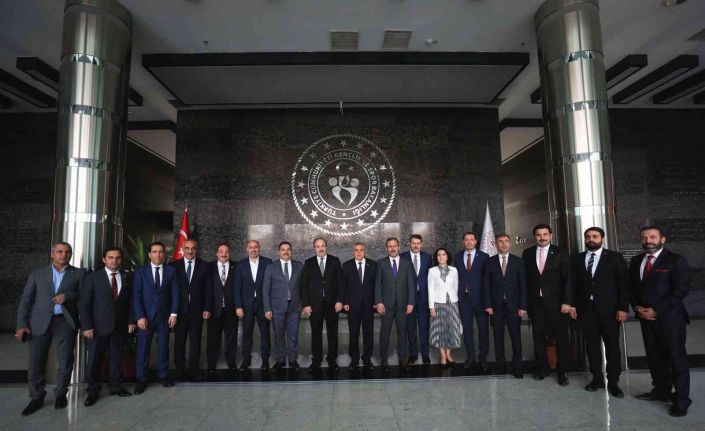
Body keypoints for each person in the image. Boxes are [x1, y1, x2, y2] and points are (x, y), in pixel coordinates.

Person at [16, 242, 84, 416]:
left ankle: (61, 394)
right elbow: (26, 300)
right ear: (52, 254)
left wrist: (68, 296)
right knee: (36, 362)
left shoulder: (79, 274)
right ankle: (36, 397)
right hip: (39, 322)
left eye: (67, 252)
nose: (63, 255)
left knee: (66, 360)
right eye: (59, 251)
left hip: (65, 322)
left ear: (71, 254)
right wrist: (21, 325)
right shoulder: (37, 274)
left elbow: (84, 295)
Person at [630, 226, 692, 417]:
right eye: (644, 237)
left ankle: (682, 400)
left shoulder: (675, 260)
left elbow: (681, 290)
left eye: (653, 237)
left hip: (670, 319)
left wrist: (657, 310)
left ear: (662, 239)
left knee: (676, 358)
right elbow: (631, 288)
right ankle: (661, 391)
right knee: (654, 357)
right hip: (646, 318)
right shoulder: (636, 260)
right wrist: (636, 307)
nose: (648, 240)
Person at [572, 227, 629, 397]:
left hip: (610, 310)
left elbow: (623, 285)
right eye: (588, 236)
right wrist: (573, 305)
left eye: (595, 236)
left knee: (612, 346)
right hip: (586, 310)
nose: (591, 239)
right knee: (591, 346)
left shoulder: (614, 257)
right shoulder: (577, 259)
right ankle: (596, 378)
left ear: (602, 239)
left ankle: (613, 382)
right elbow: (573, 285)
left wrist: (623, 308)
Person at [80, 247, 136, 406]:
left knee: (117, 358)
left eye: (118, 258)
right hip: (97, 327)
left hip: (119, 326)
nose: (114, 261)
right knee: (94, 360)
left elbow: (131, 302)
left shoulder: (127, 277)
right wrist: (87, 326)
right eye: (111, 257)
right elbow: (84, 304)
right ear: (104, 259)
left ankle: (117, 387)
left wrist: (131, 320)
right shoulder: (92, 278)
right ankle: (92, 391)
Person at [522, 224, 574, 386]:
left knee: (561, 338)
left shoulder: (560, 252)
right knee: (538, 337)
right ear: (535, 236)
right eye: (539, 235)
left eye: (545, 234)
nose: (542, 237)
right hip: (536, 304)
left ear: (551, 235)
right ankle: (542, 369)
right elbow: (525, 280)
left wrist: (567, 302)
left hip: (557, 304)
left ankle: (562, 372)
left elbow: (567, 278)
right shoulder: (527, 253)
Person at [133, 242, 179, 394]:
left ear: (164, 254)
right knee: (143, 348)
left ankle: (163, 375)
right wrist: (140, 316)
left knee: (163, 346)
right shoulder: (140, 272)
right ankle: (141, 379)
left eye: (160, 252)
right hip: (145, 317)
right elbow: (136, 295)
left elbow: (175, 293)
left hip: (164, 316)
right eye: (154, 251)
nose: (158, 254)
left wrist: (174, 313)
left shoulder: (171, 271)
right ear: (149, 254)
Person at [483, 234, 528, 378]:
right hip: (496, 307)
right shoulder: (489, 262)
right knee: (498, 338)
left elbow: (523, 285)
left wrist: (523, 306)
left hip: (514, 306)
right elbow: (486, 285)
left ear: (510, 243)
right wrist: (488, 304)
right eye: (500, 241)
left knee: (516, 338)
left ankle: (518, 367)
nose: (503, 244)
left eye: (506, 241)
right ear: (496, 244)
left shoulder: (518, 261)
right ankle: (500, 366)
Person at [301, 238, 344, 371]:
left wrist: (339, 301)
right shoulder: (308, 263)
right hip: (315, 305)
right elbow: (304, 285)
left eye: (323, 246)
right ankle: (316, 361)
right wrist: (306, 304)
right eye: (318, 246)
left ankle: (332, 360)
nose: (320, 248)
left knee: (332, 333)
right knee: (316, 333)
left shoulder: (335, 261)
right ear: (314, 248)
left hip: (332, 304)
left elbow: (341, 283)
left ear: (326, 247)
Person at [375, 237, 415, 372]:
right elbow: (377, 285)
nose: (392, 248)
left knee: (403, 333)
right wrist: (379, 302)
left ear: (399, 247)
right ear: (386, 248)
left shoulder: (407, 263)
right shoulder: (381, 263)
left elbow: (411, 285)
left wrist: (411, 303)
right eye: (390, 246)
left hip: (402, 305)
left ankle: (403, 359)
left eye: (395, 246)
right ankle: (384, 360)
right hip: (386, 305)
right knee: (384, 334)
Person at [171, 239, 209, 381]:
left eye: (193, 248)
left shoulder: (204, 266)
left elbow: (208, 289)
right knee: (179, 341)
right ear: (183, 248)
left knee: (195, 341)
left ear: (196, 249)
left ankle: (194, 369)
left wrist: (207, 308)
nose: (190, 251)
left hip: (197, 311)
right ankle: (179, 369)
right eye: (187, 248)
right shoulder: (174, 266)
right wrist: (172, 311)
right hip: (179, 311)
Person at [263, 241, 303, 373]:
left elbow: (304, 286)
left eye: (288, 249)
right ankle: (280, 360)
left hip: (295, 307)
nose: (286, 251)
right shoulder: (271, 267)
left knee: (293, 335)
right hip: (277, 308)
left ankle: (292, 360)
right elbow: (266, 289)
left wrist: (303, 305)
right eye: (283, 249)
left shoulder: (299, 266)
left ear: (291, 251)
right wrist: (267, 308)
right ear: (278, 252)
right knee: (279, 335)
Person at [454, 231, 490, 372]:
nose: (469, 242)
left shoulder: (484, 257)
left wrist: (487, 301)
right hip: (464, 299)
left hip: (480, 299)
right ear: (463, 242)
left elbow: (487, 279)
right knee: (467, 330)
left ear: (476, 241)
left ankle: (483, 358)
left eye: (471, 239)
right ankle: (471, 357)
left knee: (483, 330)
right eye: (466, 239)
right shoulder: (457, 256)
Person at [234, 240, 272, 371]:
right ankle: (246, 360)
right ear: (247, 249)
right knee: (246, 333)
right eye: (251, 247)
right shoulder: (240, 265)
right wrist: (238, 306)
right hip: (246, 305)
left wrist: (269, 306)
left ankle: (265, 360)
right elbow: (237, 288)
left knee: (265, 333)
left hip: (263, 304)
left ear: (259, 248)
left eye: (256, 247)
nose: (253, 249)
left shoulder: (268, 262)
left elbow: (271, 285)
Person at [342, 242, 377, 371]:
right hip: (353, 306)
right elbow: (343, 285)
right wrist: (345, 302)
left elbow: (376, 285)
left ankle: (367, 359)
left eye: (361, 250)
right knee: (353, 333)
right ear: (353, 252)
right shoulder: (347, 265)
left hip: (369, 305)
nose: (358, 252)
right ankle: (354, 360)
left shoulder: (373, 265)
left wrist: (377, 301)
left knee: (368, 333)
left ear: (364, 251)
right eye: (356, 250)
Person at [205, 243, 238, 376]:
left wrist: (239, 306)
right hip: (213, 310)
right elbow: (206, 290)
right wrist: (207, 308)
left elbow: (239, 289)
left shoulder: (237, 267)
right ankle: (211, 364)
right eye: (221, 251)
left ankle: (231, 362)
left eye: (226, 252)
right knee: (213, 338)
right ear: (216, 253)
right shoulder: (209, 267)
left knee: (231, 338)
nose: (224, 254)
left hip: (231, 309)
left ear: (229, 253)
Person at [401, 234, 433, 365]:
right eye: (413, 243)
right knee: (411, 327)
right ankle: (413, 354)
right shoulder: (403, 257)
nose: (416, 245)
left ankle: (425, 354)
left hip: (424, 298)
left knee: (424, 327)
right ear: (409, 243)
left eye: (418, 243)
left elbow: (431, 277)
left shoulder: (427, 257)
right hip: (408, 298)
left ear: (421, 244)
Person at [428, 248, 461, 368]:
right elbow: (430, 290)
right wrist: (431, 307)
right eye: (439, 255)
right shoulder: (432, 271)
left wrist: (454, 300)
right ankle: (442, 355)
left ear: (447, 257)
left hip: (452, 304)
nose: (441, 257)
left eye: (443, 254)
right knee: (440, 330)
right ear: (436, 258)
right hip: (438, 304)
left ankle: (448, 353)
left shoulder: (454, 270)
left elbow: (456, 286)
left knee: (452, 329)